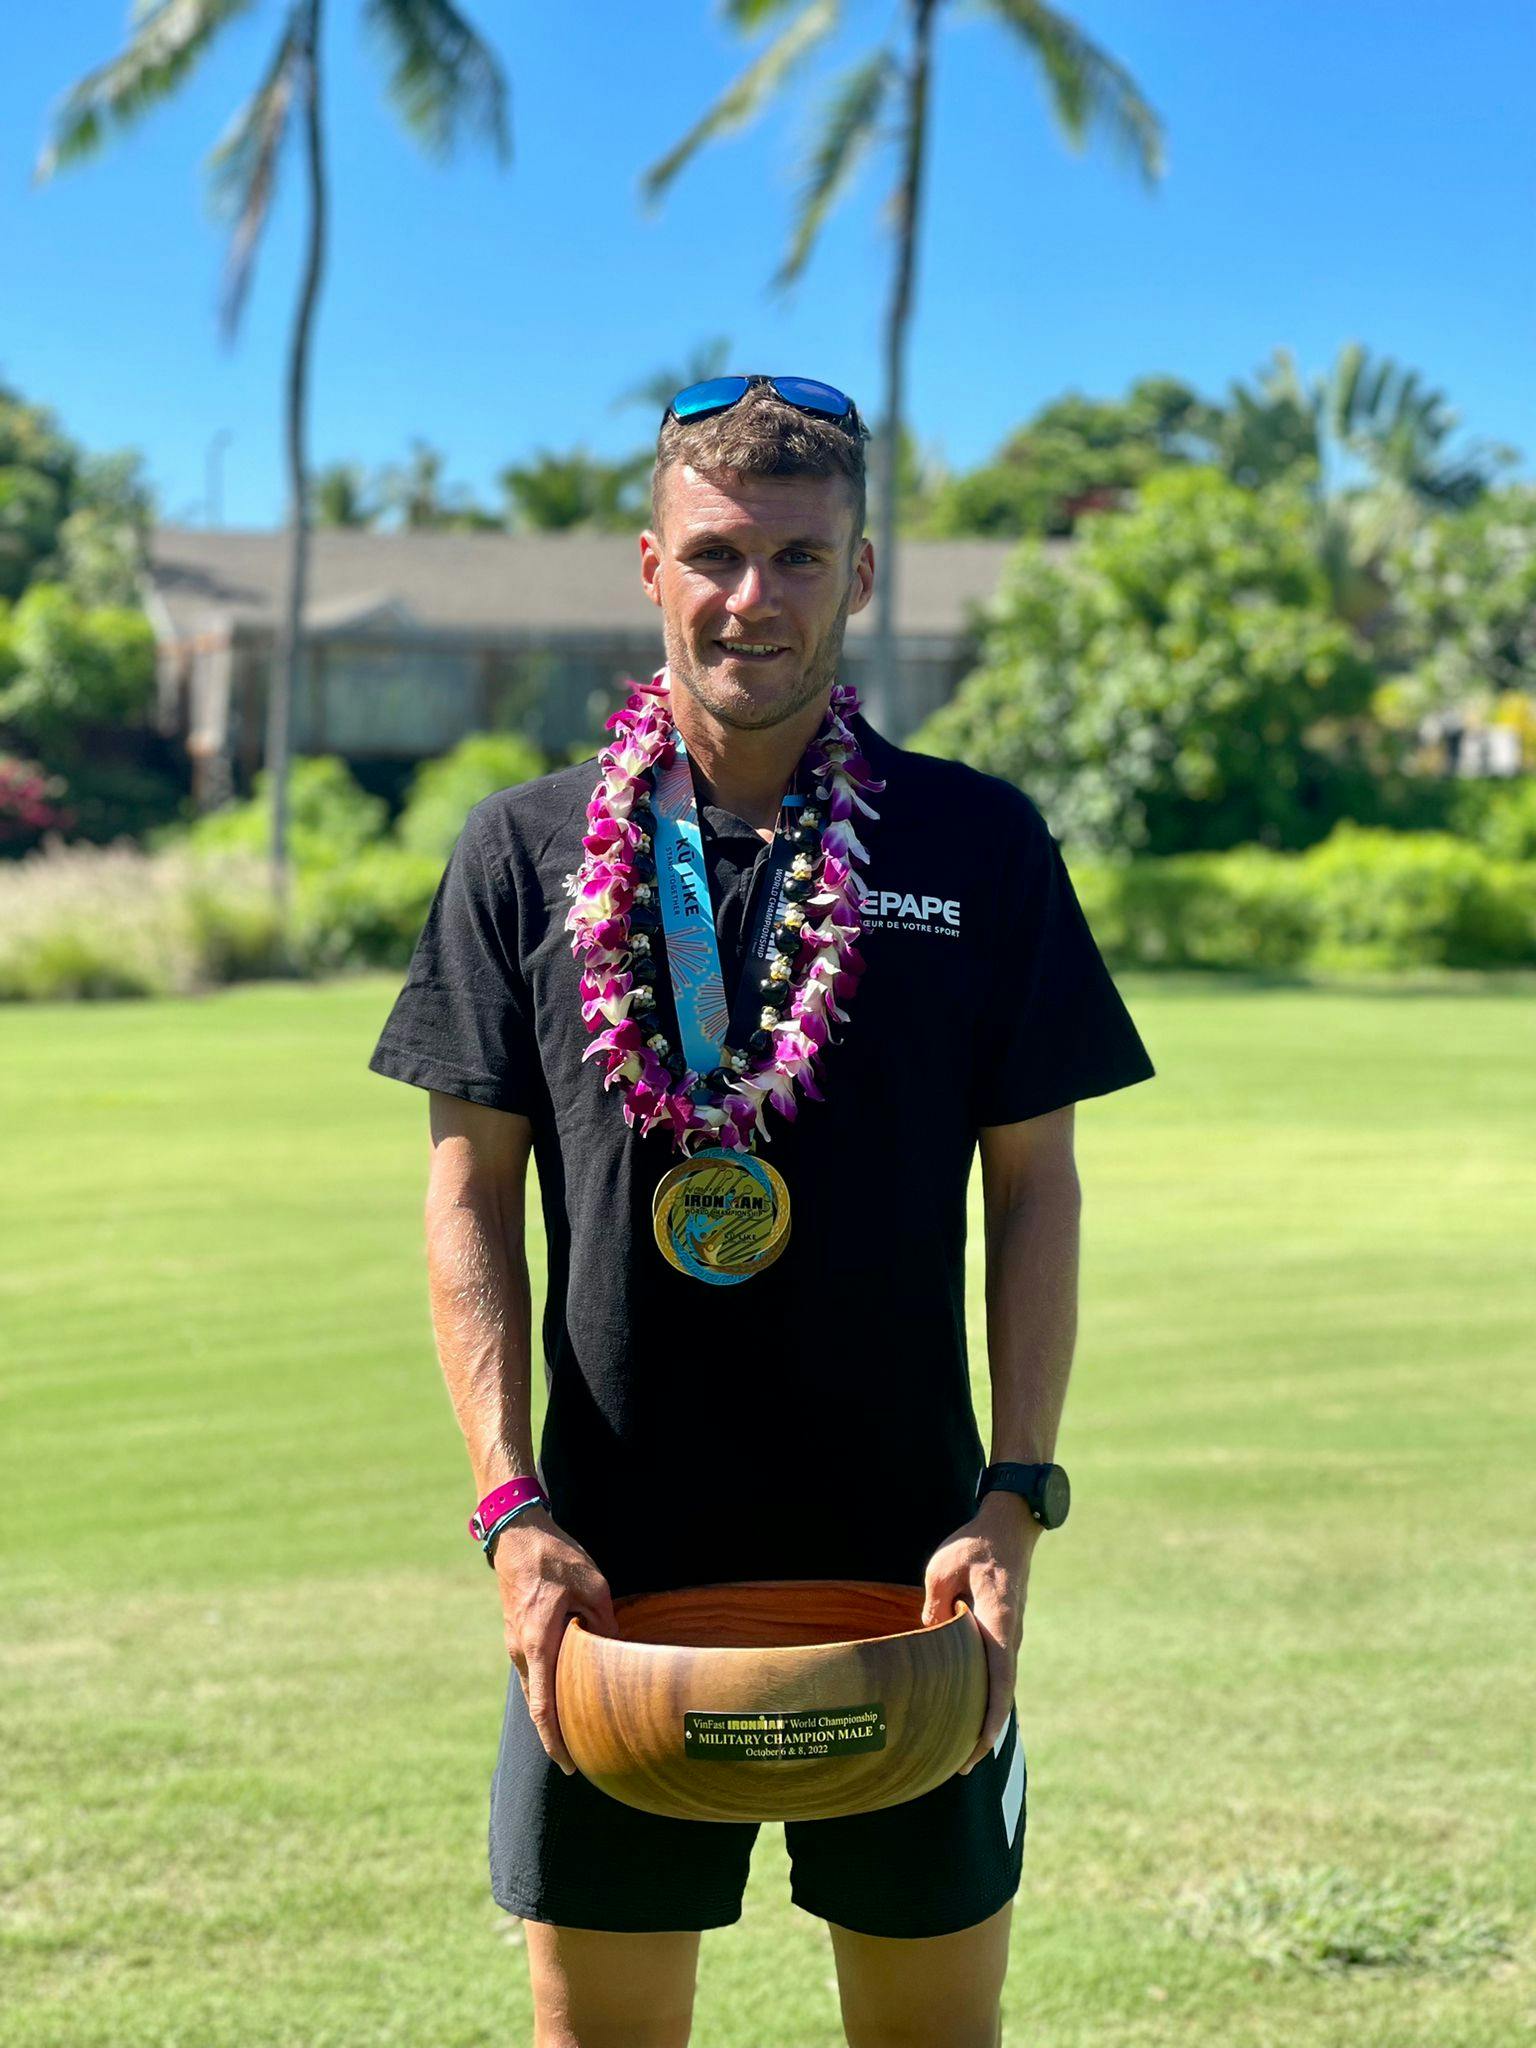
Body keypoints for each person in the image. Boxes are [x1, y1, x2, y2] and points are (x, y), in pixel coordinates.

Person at [367, 373, 1155, 2048]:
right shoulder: (518, 854)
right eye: (717, 553)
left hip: (914, 1569)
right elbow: (466, 1199)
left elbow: (1036, 1187)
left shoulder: (978, 842)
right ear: (649, 566)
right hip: (611, 1576)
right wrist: (512, 1512)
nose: (754, 596)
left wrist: (1015, 1495)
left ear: (860, 579)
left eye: (800, 557)